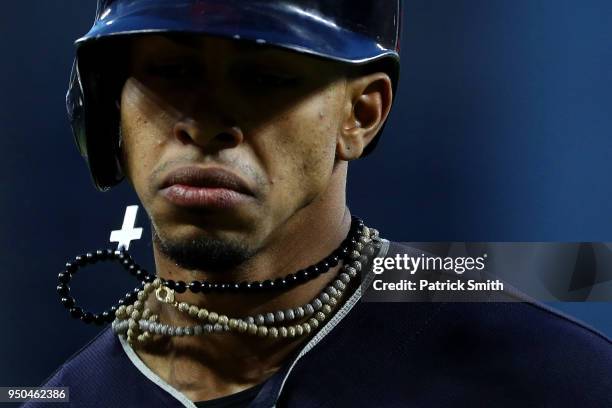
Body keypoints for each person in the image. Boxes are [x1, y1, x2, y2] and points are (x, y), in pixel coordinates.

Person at [29, 1, 611, 407]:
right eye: (169, 72)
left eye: (262, 78)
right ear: (107, 109)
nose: (203, 124)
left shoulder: (548, 377)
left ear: (361, 115)